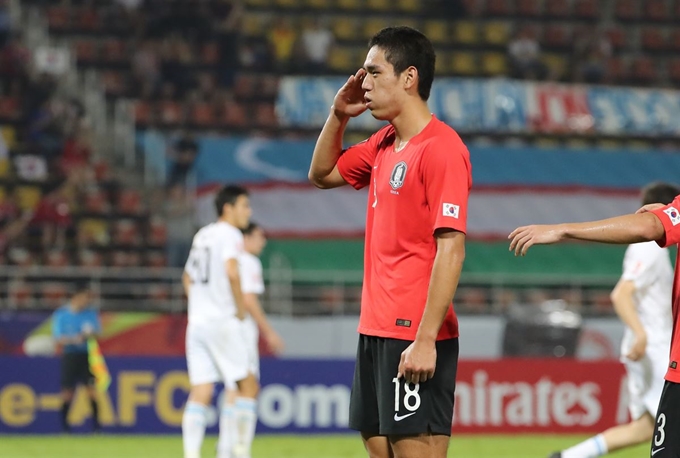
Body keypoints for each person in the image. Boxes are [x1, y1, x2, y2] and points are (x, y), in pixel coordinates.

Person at [308, 26, 471, 458]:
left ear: (409, 77)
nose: (364, 83)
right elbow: (322, 175)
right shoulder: (384, 142)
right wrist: (339, 115)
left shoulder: (442, 149)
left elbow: (451, 248)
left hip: (413, 332)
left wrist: (425, 338)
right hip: (374, 329)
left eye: (374, 72)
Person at [508, 182, 680, 458]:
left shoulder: (655, 243)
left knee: (647, 428)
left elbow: (650, 229)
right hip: (656, 347)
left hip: (662, 348)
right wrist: (640, 333)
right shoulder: (650, 248)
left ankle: (568, 456)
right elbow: (622, 293)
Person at [181, 185, 257, 458]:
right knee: (247, 385)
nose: (248, 211)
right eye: (244, 205)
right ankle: (241, 452)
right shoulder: (230, 234)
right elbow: (232, 272)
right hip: (221, 321)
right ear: (229, 208)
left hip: (197, 323)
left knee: (201, 390)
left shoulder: (203, 234)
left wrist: (199, 303)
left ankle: (191, 455)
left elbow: (187, 277)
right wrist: (238, 309)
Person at [225, 221, 285, 456]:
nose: (263, 241)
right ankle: (241, 450)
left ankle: (225, 449)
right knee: (247, 388)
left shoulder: (229, 258)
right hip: (241, 330)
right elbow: (248, 300)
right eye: (259, 236)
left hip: (225, 327)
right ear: (246, 238)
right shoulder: (248, 262)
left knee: (233, 389)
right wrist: (269, 331)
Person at [51, 281, 101, 432]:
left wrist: (90, 334)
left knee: (91, 391)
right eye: (85, 297)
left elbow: (98, 333)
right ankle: (65, 428)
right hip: (70, 356)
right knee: (67, 393)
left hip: (86, 355)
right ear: (76, 297)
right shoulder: (62, 315)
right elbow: (58, 338)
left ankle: (97, 428)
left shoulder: (90, 314)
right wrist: (75, 339)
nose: (87, 301)